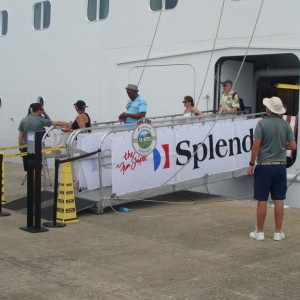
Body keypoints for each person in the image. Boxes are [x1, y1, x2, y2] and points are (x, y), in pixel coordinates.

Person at [247, 96, 296, 241]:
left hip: (264, 166)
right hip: (280, 166)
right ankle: (278, 232)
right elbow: (293, 146)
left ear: (269, 109)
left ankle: (260, 232)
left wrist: (251, 164)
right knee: (279, 199)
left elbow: (256, 146)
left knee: (262, 199)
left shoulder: (262, 124)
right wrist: (283, 145)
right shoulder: (285, 125)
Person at [18, 102, 72, 171]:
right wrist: (68, 123)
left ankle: (31, 181)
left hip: (25, 146)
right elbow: (56, 123)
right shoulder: (40, 120)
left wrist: (20, 148)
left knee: (29, 169)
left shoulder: (24, 120)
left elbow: (20, 136)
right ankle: (35, 182)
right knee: (36, 169)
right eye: (42, 109)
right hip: (35, 146)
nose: (43, 111)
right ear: (38, 110)